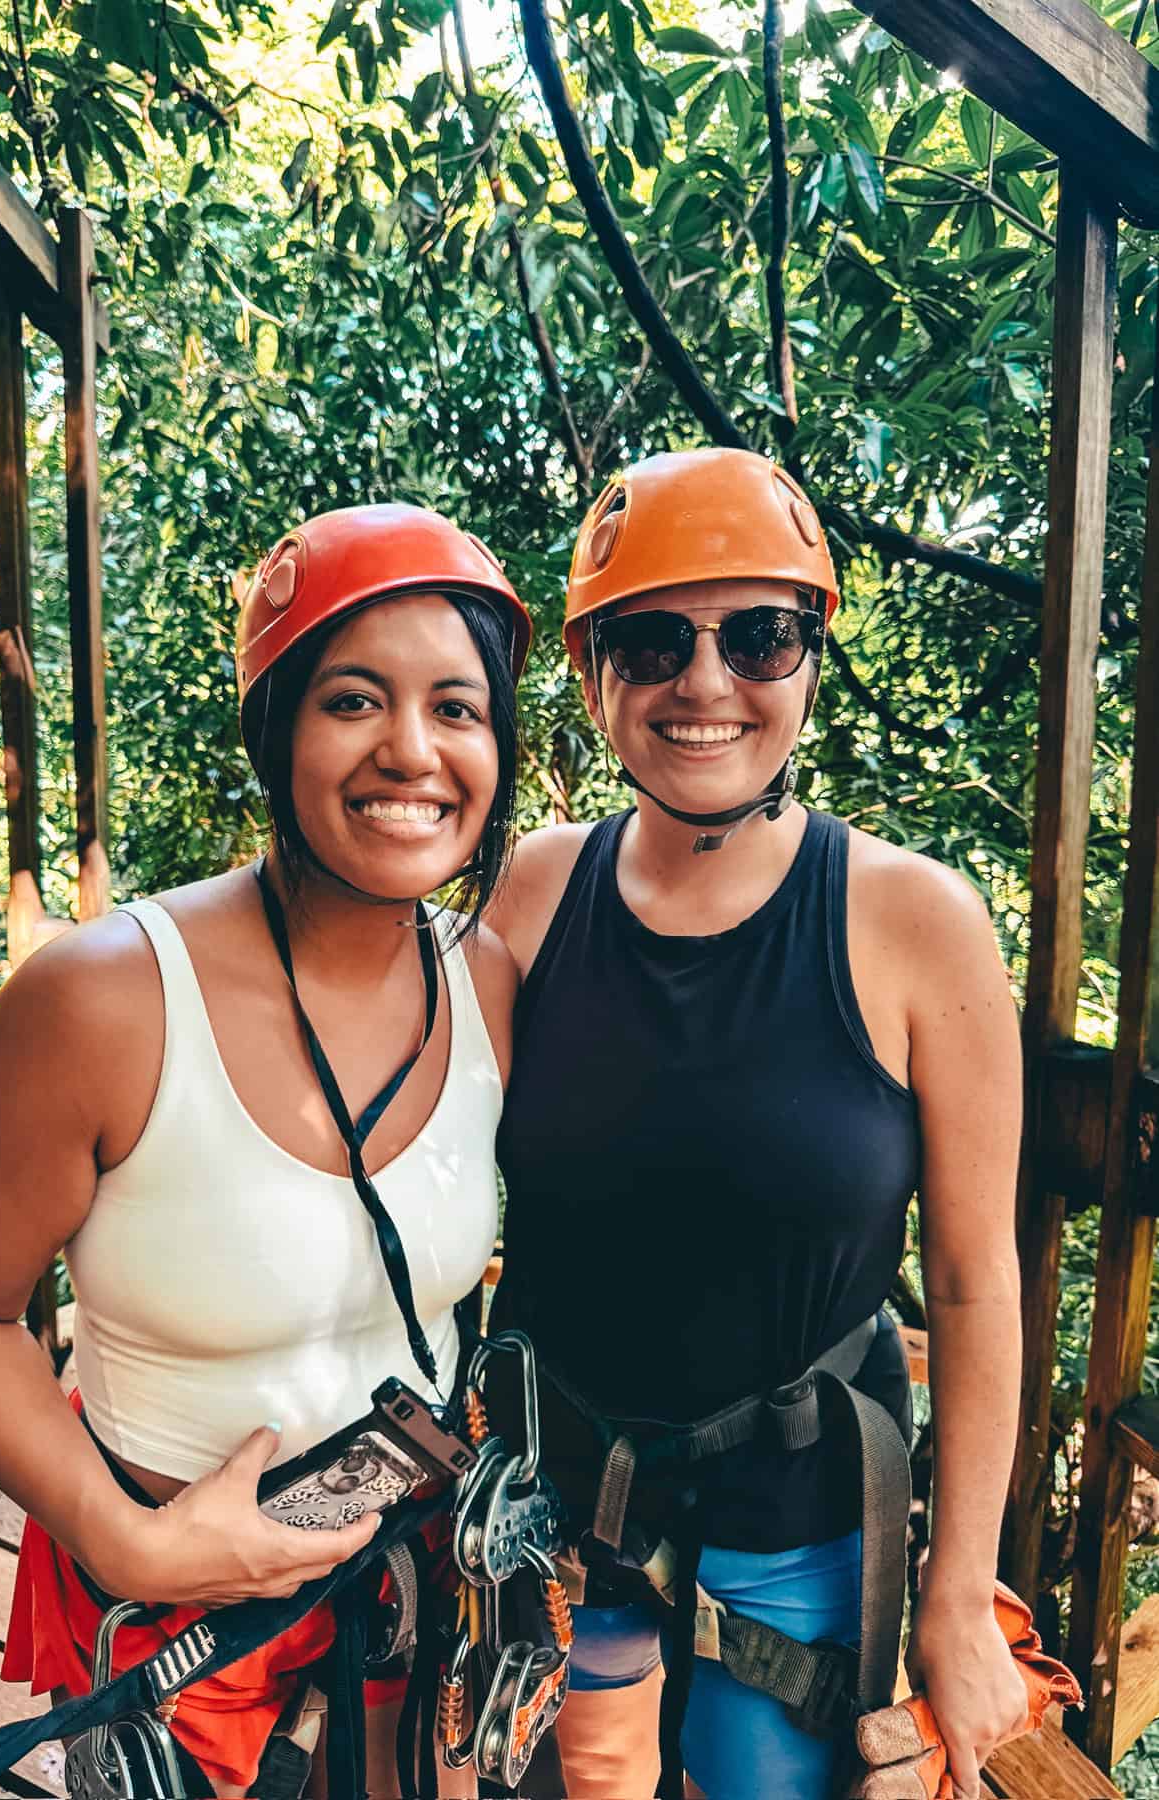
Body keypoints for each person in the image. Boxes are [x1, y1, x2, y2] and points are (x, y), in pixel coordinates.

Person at [0, 503, 530, 1799]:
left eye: (458, 709)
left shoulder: (490, 986)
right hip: (178, 1630)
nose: (413, 749)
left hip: (405, 1589)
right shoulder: (102, 1002)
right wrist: (119, 1539)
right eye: (354, 700)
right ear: (275, 728)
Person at [486, 449, 1027, 1800]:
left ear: (806, 658)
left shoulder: (913, 923)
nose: (706, 684)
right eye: (654, 640)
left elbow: (972, 1281)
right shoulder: (535, 895)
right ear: (594, 667)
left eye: (760, 636)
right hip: (567, 1516)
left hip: (792, 1528)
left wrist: (957, 1594)